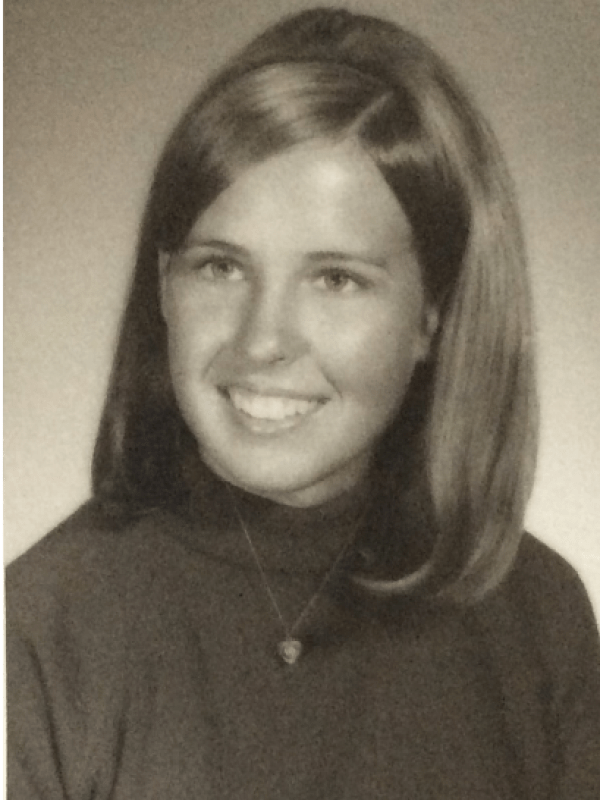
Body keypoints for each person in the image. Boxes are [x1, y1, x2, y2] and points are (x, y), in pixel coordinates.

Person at [7, 7, 600, 799]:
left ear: (434, 315)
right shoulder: (43, 628)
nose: (262, 341)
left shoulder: (538, 619)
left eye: (336, 279)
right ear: (163, 281)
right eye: (221, 266)